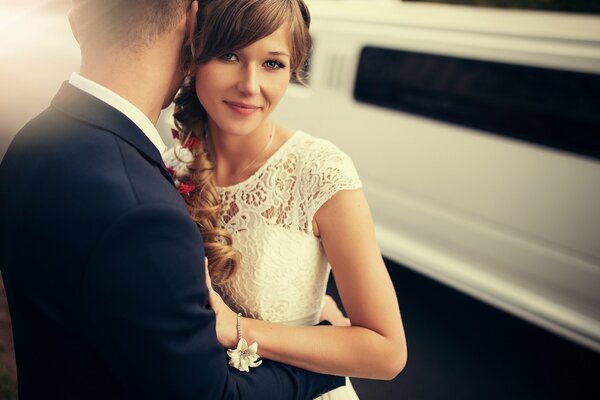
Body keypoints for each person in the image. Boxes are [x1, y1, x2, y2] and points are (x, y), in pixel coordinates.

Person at [0, 1, 345, 398]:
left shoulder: (30, 143)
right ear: (194, 20)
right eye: (230, 55)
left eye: (273, 63)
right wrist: (325, 362)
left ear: (77, 23)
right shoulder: (145, 211)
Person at [165, 0, 407, 398]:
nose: (250, 84)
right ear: (195, 57)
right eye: (230, 55)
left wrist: (239, 329)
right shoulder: (170, 168)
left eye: (272, 64)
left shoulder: (320, 171)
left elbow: (386, 350)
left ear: (292, 69)